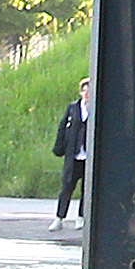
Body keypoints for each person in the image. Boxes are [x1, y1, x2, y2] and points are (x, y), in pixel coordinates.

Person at [51, 77, 92, 225]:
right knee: (67, 186)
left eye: (90, 92)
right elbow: (63, 128)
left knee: (87, 189)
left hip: (89, 157)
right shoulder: (73, 108)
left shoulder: (96, 109)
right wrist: (59, 147)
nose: (87, 95)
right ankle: (59, 217)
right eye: (85, 91)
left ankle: (81, 217)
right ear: (81, 92)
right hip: (73, 155)